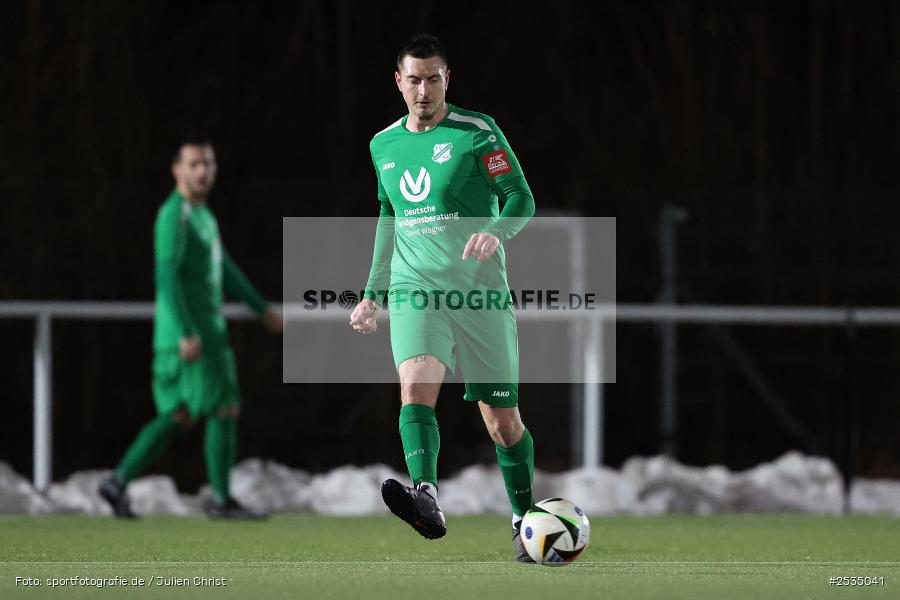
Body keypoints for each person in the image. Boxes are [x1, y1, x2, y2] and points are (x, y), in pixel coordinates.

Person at [349, 34, 537, 561]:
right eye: (414, 79)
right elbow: (389, 215)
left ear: (446, 79)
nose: (424, 89)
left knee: (503, 423)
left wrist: (497, 231)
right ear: (399, 82)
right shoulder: (382, 145)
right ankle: (426, 495)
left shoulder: (477, 132)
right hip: (416, 289)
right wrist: (373, 293)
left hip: (479, 295)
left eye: (433, 79)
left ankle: (524, 517)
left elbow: (520, 197)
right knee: (415, 383)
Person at [98, 136, 282, 519]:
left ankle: (117, 481)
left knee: (180, 414)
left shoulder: (202, 215)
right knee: (224, 407)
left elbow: (225, 269)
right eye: (194, 164)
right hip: (193, 336)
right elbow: (166, 275)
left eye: (208, 164)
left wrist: (260, 309)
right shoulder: (175, 214)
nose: (203, 171)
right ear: (177, 171)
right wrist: (185, 331)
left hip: (191, 335)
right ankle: (220, 499)